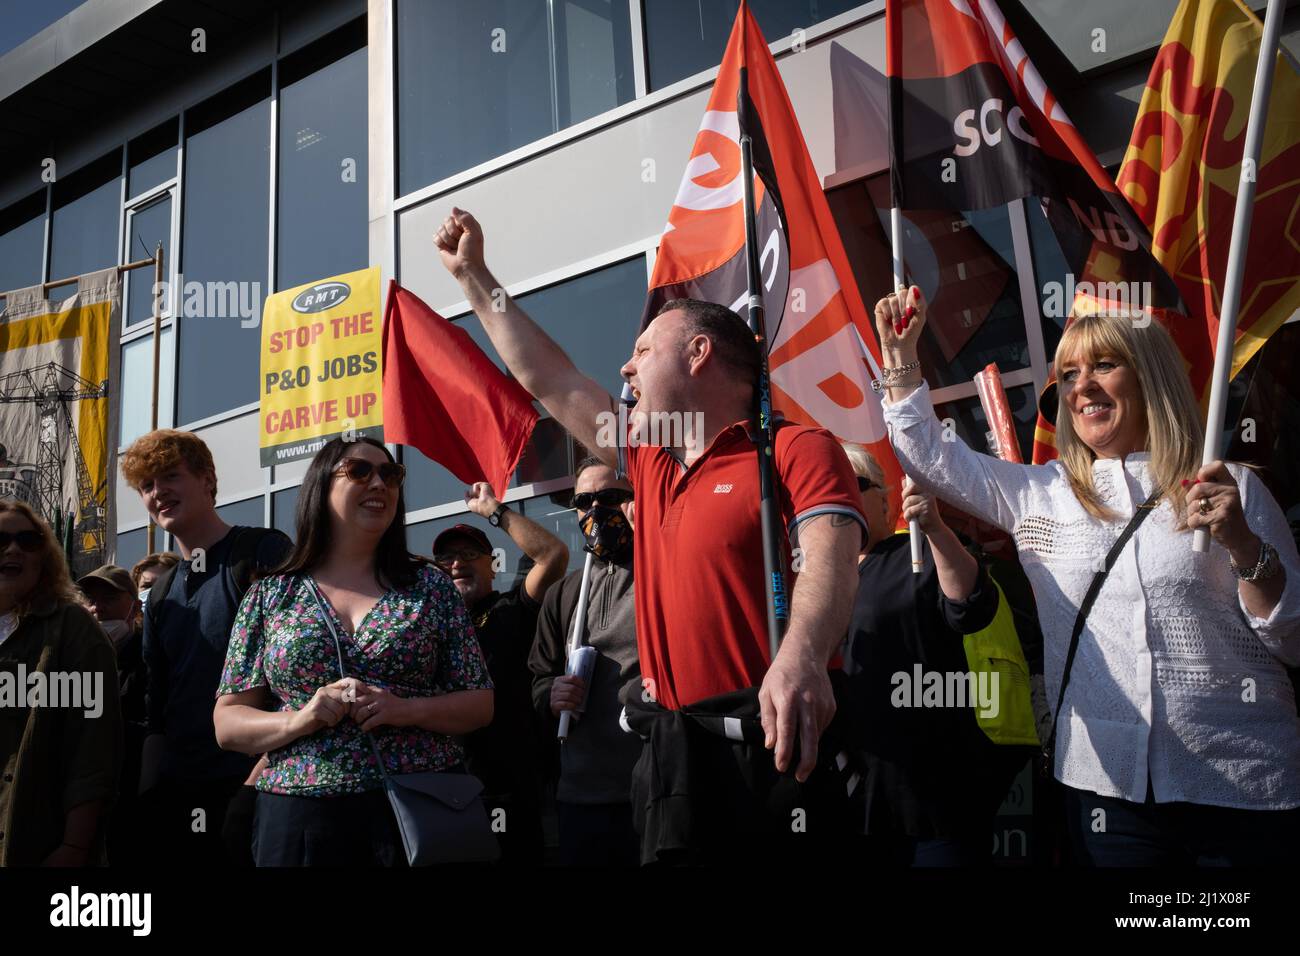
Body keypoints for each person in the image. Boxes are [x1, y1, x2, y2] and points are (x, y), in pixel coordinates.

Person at [435, 208, 865, 862]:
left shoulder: (795, 449)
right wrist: (474, 275)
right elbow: (548, 377)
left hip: (774, 748)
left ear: (699, 353)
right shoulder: (649, 460)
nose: (625, 369)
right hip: (669, 761)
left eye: (642, 351)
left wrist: (802, 654)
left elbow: (833, 562)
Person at [876, 286, 1300, 865]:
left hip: (1242, 787)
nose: (1083, 386)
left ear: (1150, 378)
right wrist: (900, 358)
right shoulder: (1040, 495)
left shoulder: (1231, 488)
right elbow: (928, 454)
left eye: (1105, 364)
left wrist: (1244, 546)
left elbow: (1294, 638)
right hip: (1110, 799)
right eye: (1070, 374)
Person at [214, 437, 493, 866]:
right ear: (321, 489)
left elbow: (479, 703)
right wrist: (301, 719)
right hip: (300, 816)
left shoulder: (431, 586)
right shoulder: (271, 594)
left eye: (390, 474)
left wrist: (403, 708)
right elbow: (229, 724)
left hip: (418, 807)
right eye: (360, 472)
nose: (379, 483)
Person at [840, 444, 1030, 866]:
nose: (842, 497)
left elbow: (970, 604)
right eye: (830, 488)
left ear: (886, 497)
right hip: (858, 801)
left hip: (935, 799)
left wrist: (935, 529)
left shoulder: (917, 554)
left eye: (854, 484)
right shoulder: (818, 578)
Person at [119, 429, 291, 866]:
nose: (159, 492)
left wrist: (257, 783)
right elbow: (157, 707)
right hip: (178, 793)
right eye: (147, 485)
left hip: (257, 786)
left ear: (208, 480)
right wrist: (150, 793)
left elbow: (300, 678)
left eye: (170, 476)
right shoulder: (159, 595)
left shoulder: (261, 551)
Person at [432, 480, 568, 864]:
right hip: (443, 786)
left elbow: (553, 556)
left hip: (509, 789)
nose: (457, 563)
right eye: (446, 558)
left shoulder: (512, 608)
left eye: (469, 553)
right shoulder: (427, 630)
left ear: (493, 565)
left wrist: (494, 511)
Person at [529, 457, 641, 866]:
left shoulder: (664, 575)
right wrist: (551, 694)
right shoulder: (563, 594)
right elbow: (539, 678)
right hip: (580, 796)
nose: (596, 510)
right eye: (584, 501)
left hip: (653, 789)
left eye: (611, 497)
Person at [0, 501, 122, 865]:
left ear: (45, 557)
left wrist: (74, 846)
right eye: (0, 539)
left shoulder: (71, 629)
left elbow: (94, 748)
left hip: (34, 840)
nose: (13, 549)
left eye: (28, 540)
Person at [76, 564, 148, 864]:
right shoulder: (73, 661)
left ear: (133, 607)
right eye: (90, 599)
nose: (98, 608)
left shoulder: (149, 659)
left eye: (109, 598)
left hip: (132, 803)